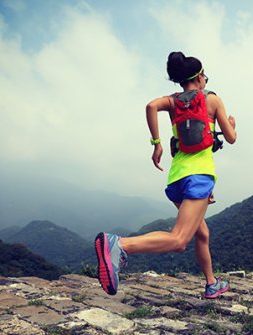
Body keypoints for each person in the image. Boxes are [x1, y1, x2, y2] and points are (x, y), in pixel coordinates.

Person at [95, 51, 237, 299]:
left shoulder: (173, 102)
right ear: (201, 76)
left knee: (202, 233)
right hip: (200, 176)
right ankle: (119, 245)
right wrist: (231, 125)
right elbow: (232, 138)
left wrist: (157, 144)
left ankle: (212, 283)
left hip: (177, 179)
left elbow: (151, 106)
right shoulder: (212, 100)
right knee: (179, 239)